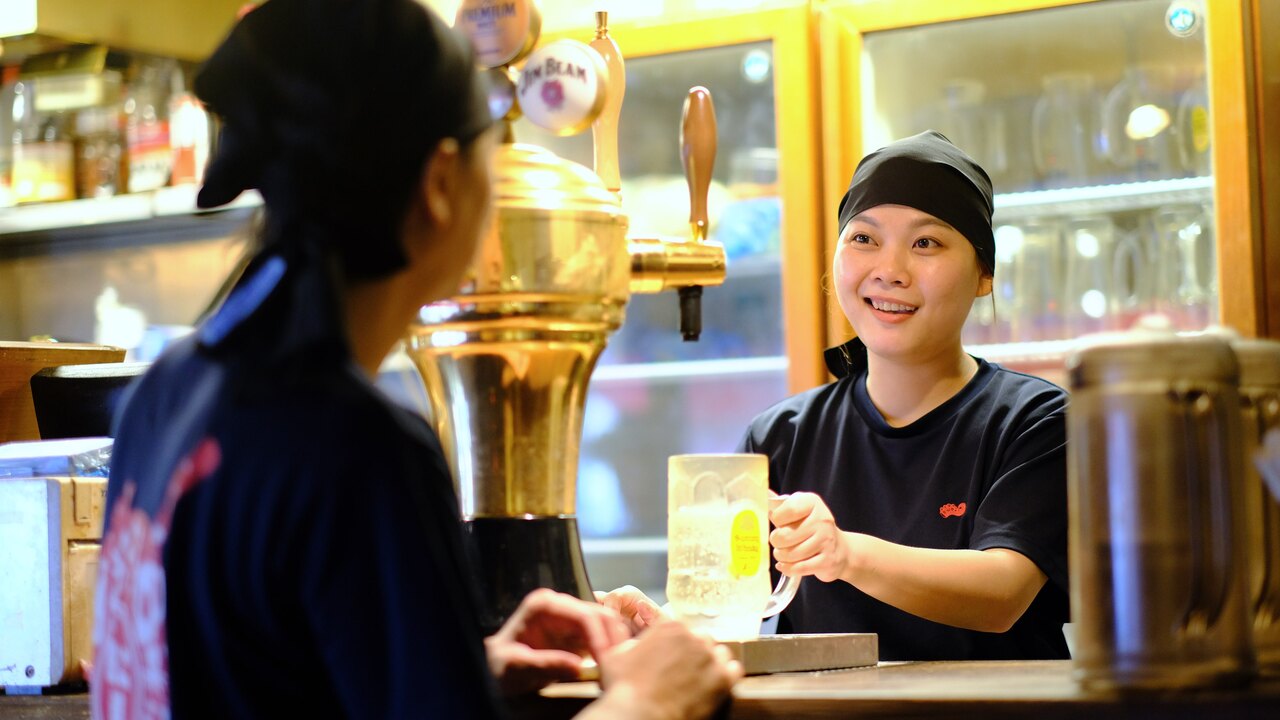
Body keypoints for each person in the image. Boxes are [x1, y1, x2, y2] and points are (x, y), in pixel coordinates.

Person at [89, 1, 740, 718]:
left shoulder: (165, 394)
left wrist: (453, 663)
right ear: (440, 184)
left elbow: (241, 670)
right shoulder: (359, 446)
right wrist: (651, 702)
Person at [603, 131, 1068, 662]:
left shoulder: (1037, 421)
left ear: (984, 274)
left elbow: (1003, 594)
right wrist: (654, 626)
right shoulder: (782, 435)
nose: (889, 270)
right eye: (865, 239)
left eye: (926, 243)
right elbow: (737, 608)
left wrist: (845, 553)